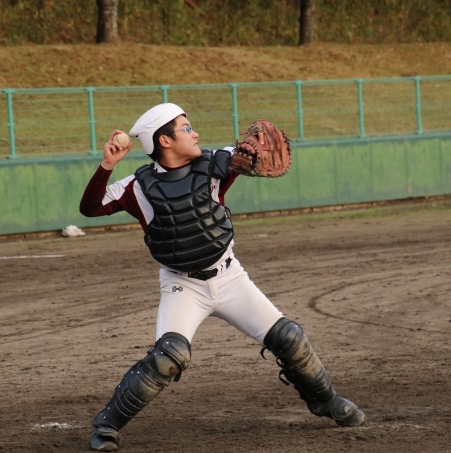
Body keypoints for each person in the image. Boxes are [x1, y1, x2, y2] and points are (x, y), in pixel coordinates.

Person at [79, 103, 366, 451]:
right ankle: (108, 425)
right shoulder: (137, 186)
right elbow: (90, 208)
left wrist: (252, 158)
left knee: (289, 337)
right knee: (168, 356)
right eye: (186, 128)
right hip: (182, 285)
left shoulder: (216, 162)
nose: (195, 133)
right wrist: (107, 165)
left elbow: (245, 158)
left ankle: (326, 400)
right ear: (165, 140)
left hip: (230, 278)